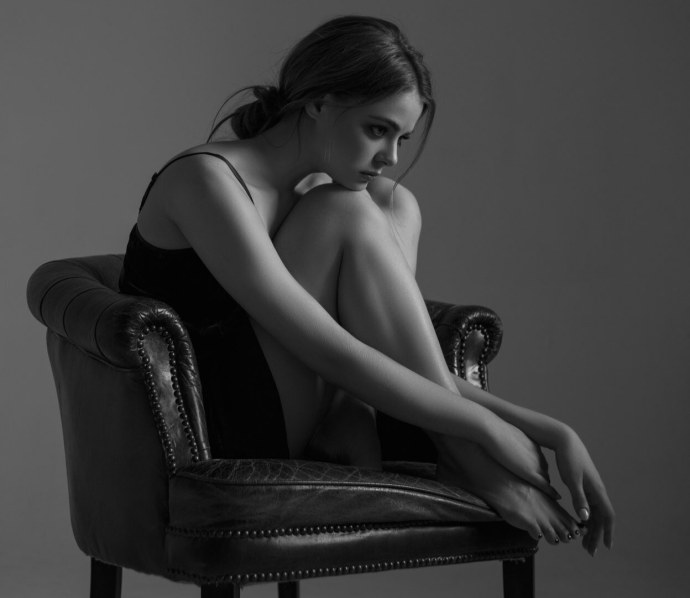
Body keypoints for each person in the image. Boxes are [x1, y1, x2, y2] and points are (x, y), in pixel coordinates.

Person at [119, 14, 614, 556]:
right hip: (217, 426)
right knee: (348, 208)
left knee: (393, 201)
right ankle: (459, 452)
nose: (391, 156)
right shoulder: (207, 180)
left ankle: (423, 439)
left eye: (401, 137)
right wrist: (483, 428)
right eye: (377, 130)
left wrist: (551, 429)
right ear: (317, 103)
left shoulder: (322, 189)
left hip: (312, 397)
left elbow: (391, 354)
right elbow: (328, 349)